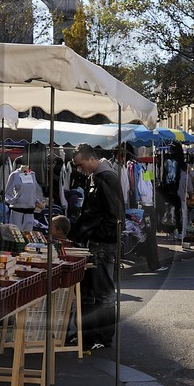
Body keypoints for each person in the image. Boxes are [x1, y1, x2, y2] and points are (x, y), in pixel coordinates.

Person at [71, 145, 123, 350]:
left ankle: (103, 337)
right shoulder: (97, 177)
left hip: (103, 243)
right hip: (96, 241)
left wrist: (98, 235)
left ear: (91, 159)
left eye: (80, 164)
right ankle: (91, 336)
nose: (79, 169)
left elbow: (114, 215)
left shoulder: (106, 177)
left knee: (103, 292)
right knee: (92, 292)